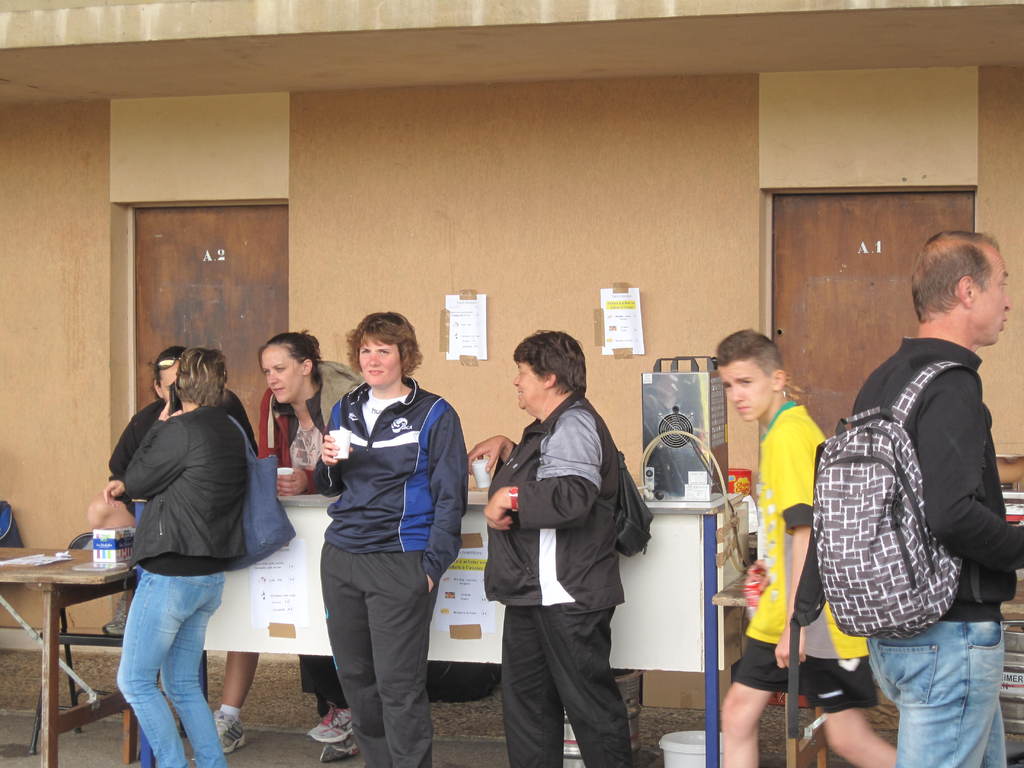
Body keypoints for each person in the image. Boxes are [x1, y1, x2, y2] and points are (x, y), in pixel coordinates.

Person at [854, 231, 1024, 768]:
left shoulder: (884, 380)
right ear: (968, 291)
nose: (1009, 302)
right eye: (1003, 284)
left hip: (895, 628)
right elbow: (951, 513)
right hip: (949, 637)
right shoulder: (951, 385)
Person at [715, 330, 895, 768]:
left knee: (849, 740)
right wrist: (766, 569)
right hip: (789, 614)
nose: (737, 395)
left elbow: (808, 531)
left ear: (777, 379)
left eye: (746, 382)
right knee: (739, 715)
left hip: (813, 621)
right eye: (729, 385)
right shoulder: (778, 430)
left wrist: (796, 622)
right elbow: (788, 528)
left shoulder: (790, 436)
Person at [468, 330, 632, 768]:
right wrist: (509, 448)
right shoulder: (550, 428)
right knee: (528, 710)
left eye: (523, 373)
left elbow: (572, 494)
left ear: (550, 379)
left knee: (590, 710)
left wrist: (510, 496)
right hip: (533, 594)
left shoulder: (573, 423)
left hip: (566, 595)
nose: (516, 382)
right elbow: (549, 473)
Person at [315, 311, 467, 768]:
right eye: (366, 350)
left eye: (384, 350)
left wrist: (431, 568)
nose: (373, 359)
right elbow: (330, 486)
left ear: (405, 356)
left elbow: (451, 497)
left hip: (400, 559)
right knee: (356, 680)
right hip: (342, 556)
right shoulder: (345, 407)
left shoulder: (435, 413)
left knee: (399, 685)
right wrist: (327, 463)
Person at [214, 331, 362, 761]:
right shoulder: (271, 404)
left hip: (341, 524)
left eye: (279, 369)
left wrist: (308, 479)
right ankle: (336, 708)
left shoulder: (344, 402)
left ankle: (349, 710)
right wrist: (279, 481)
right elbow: (269, 456)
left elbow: (357, 465)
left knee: (332, 617)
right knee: (296, 613)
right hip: (296, 523)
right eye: (266, 371)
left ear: (306, 366)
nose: (272, 379)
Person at [116, 347, 247, 768]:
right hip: (208, 575)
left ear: (179, 387)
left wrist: (161, 421)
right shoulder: (229, 428)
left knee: (135, 682)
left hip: (170, 572)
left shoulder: (180, 429)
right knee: (183, 685)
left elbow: (136, 479)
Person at [87, 344, 254, 635]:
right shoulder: (222, 423)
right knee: (184, 663)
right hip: (212, 557)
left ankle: (130, 593)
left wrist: (160, 428)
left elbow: (137, 480)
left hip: (175, 559)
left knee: (136, 666)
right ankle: (128, 588)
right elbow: (124, 470)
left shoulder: (181, 427)